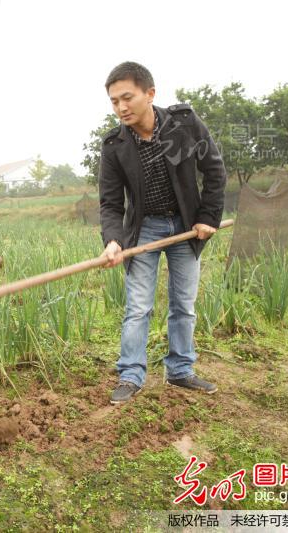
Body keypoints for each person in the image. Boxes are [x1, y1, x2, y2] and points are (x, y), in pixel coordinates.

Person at [98, 62, 227, 405]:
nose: (121, 107)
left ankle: (181, 371)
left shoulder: (184, 124)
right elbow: (110, 203)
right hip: (145, 228)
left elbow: (214, 170)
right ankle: (131, 375)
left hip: (187, 226)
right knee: (138, 306)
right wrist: (114, 240)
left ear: (150, 93)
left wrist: (208, 217)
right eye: (114, 101)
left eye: (127, 97)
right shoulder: (114, 146)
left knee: (183, 304)